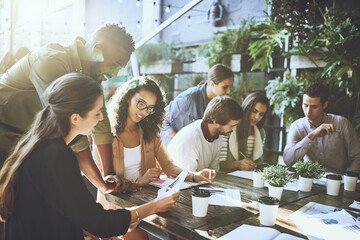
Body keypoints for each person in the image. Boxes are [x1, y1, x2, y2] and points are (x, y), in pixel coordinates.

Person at [0, 73, 181, 240]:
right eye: (96, 113)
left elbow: (68, 214)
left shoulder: (40, 146)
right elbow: (99, 222)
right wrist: (154, 206)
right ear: (75, 118)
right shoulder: (57, 156)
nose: (101, 118)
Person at [0, 22, 135, 193]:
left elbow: (101, 122)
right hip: (4, 137)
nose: (115, 74)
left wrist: (109, 174)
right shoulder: (51, 62)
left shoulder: (90, 75)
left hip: (23, 144)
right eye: (115, 64)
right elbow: (70, 127)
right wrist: (100, 184)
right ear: (97, 50)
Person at [94, 76, 214, 239]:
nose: (144, 112)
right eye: (141, 103)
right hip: (116, 207)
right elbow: (104, 182)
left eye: (150, 108)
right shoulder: (106, 136)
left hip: (147, 202)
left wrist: (195, 176)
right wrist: (140, 181)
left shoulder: (150, 133)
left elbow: (169, 166)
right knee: (138, 236)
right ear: (128, 97)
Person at [283, 82, 360, 174]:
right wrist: (311, 136)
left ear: (325, 105)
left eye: (314, 107)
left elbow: (357, 156)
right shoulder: (297, 126)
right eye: (305, 105)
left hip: (339, 179)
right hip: (311, 179)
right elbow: (287, 160)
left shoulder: (342, 123)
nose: (308, 111)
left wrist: (348, 179)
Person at [160, 64, 234, 146]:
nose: (229, 92)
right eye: (225, 87)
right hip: (172, 148)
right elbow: (161, 120)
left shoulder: (218, 103)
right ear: (212, 84)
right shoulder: (188, 98)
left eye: (230, 87)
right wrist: (178, 139)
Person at [167, 96, 243, 172]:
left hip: (197, 181)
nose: (235, 129)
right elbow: (187, 177)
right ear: (216, 123)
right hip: (179, 181)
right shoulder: (190, 139)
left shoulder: (217, 136)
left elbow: (213, 171)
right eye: (232, 126)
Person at [220, 92, 269, 172]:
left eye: (261, 114)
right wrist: (237, 164)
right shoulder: (230, 128)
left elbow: (258, 161)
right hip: (228, 177)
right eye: (254, 111)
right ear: (247, 108)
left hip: (248, 177)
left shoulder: (261, 132)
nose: (257, 117)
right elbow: (220, 165)